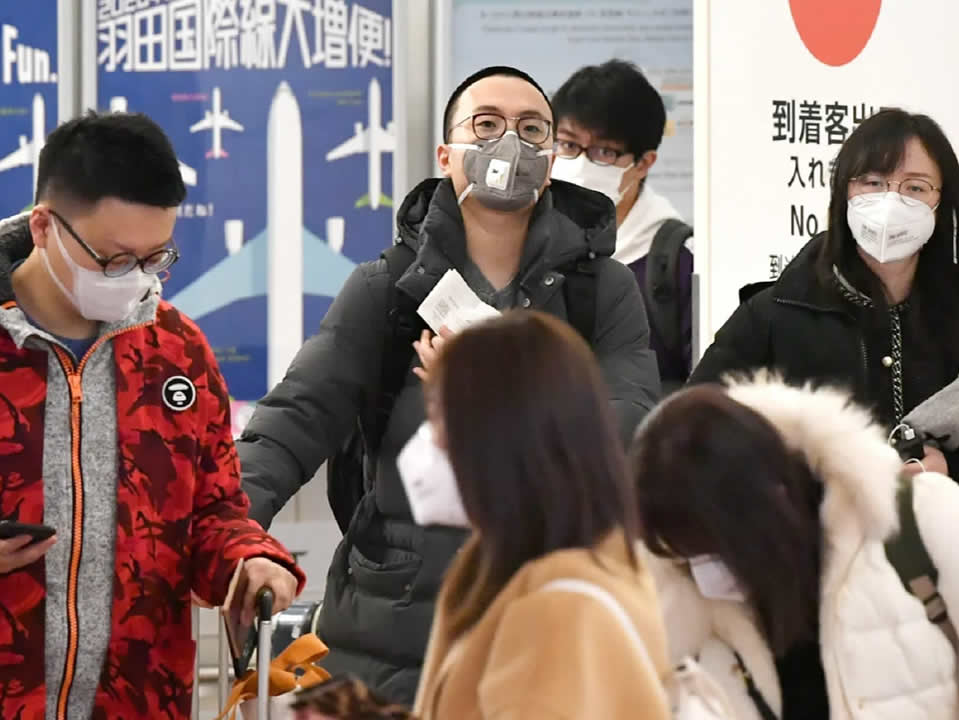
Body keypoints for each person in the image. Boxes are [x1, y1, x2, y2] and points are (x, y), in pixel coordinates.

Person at [237, 65, 660, 703]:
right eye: (485, 125)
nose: (509, 143)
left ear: (551, 160)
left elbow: (624, 429)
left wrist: (487, 395)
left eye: (531, 130)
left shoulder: (600, 290)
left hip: (551, 608)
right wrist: (232, 533)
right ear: (445, 155)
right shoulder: (387, 288)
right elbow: (294, 418)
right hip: (394, 623)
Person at [0, 111, 303, 720]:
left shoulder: (178, 353)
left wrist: (250, 560)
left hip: (140, 700)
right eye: (114, 260)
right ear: (44, 227)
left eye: (154, 258)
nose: (136, 279)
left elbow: (213, 510)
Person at [690, 108, 959, 594]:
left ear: (942, 203)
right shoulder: (773, 316)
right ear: (843, 193)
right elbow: (690, 435)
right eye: (872, 182)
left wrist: (953, 476)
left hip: (953, 587)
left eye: (915, 188)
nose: (891, 202)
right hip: (812, 585)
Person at [633, 379, 959, 719]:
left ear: (772, 503)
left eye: (717, 552)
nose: (706, 574)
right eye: (688, 557)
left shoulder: (915, 518)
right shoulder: (681, 586)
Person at [411, 311, 671, 719]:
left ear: (499, 437)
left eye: (442, 417)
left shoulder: (554, 615)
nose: (431, 440)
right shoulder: (568, 569)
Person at [552, 59, 694, 392]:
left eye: (604, 151)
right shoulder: (528, 242)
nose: (581, 165)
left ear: (644, 163)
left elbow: (700, 389)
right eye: (569, 145)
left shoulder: (677, 260)